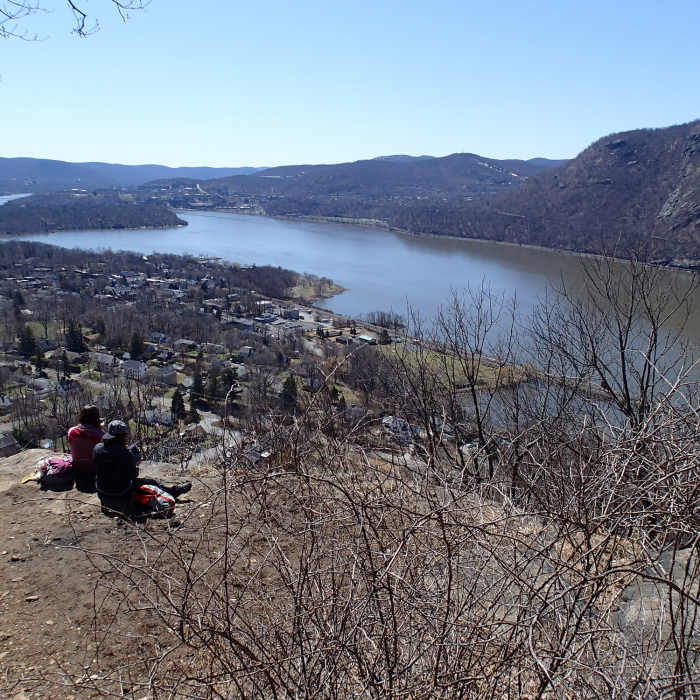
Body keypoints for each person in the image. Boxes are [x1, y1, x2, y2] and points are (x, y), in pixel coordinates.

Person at [94, 420, 191, 517]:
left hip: (102, 493)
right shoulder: (126, 454)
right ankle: (174, 491)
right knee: (151, 482)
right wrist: (134, 462)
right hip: (120, 495)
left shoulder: (97, 449)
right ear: (122, 436)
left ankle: (174, 491)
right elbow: (133, 476)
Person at [67, 405, 104, 492]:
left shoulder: (71, 431)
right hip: (94, 469)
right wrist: (100, 429)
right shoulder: (100, 435)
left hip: (78, 467)